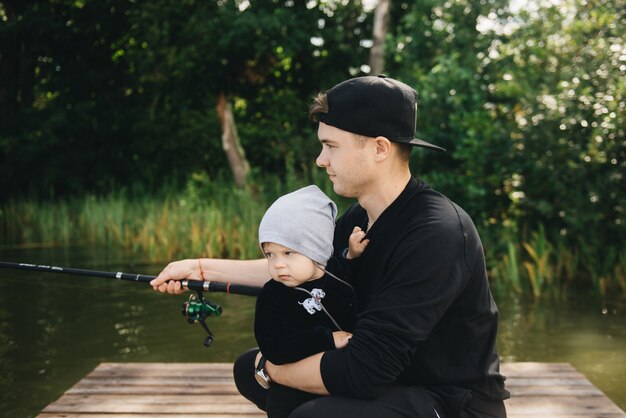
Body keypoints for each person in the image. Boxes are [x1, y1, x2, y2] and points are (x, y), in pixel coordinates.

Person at [151, 74, 509, 418]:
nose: (321, 160)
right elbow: (305, 269)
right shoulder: (359, 217)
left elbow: (363, 371)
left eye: (330, 146)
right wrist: (199, 269)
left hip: (451, 403)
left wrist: (273, 369)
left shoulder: (436, 232)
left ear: (380, 148)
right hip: (395, 383)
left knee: (310, 409)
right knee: (248, 369)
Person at [254, 184, 367, 418]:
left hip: (336, 385)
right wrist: (327, 339)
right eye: (269, 254)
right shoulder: (273, 295)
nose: (278, 264)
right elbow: (274, 346)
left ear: (317, 249)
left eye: (288, 253)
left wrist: (352, 255)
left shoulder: (336, 274)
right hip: (291, 393)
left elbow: (348, 277)